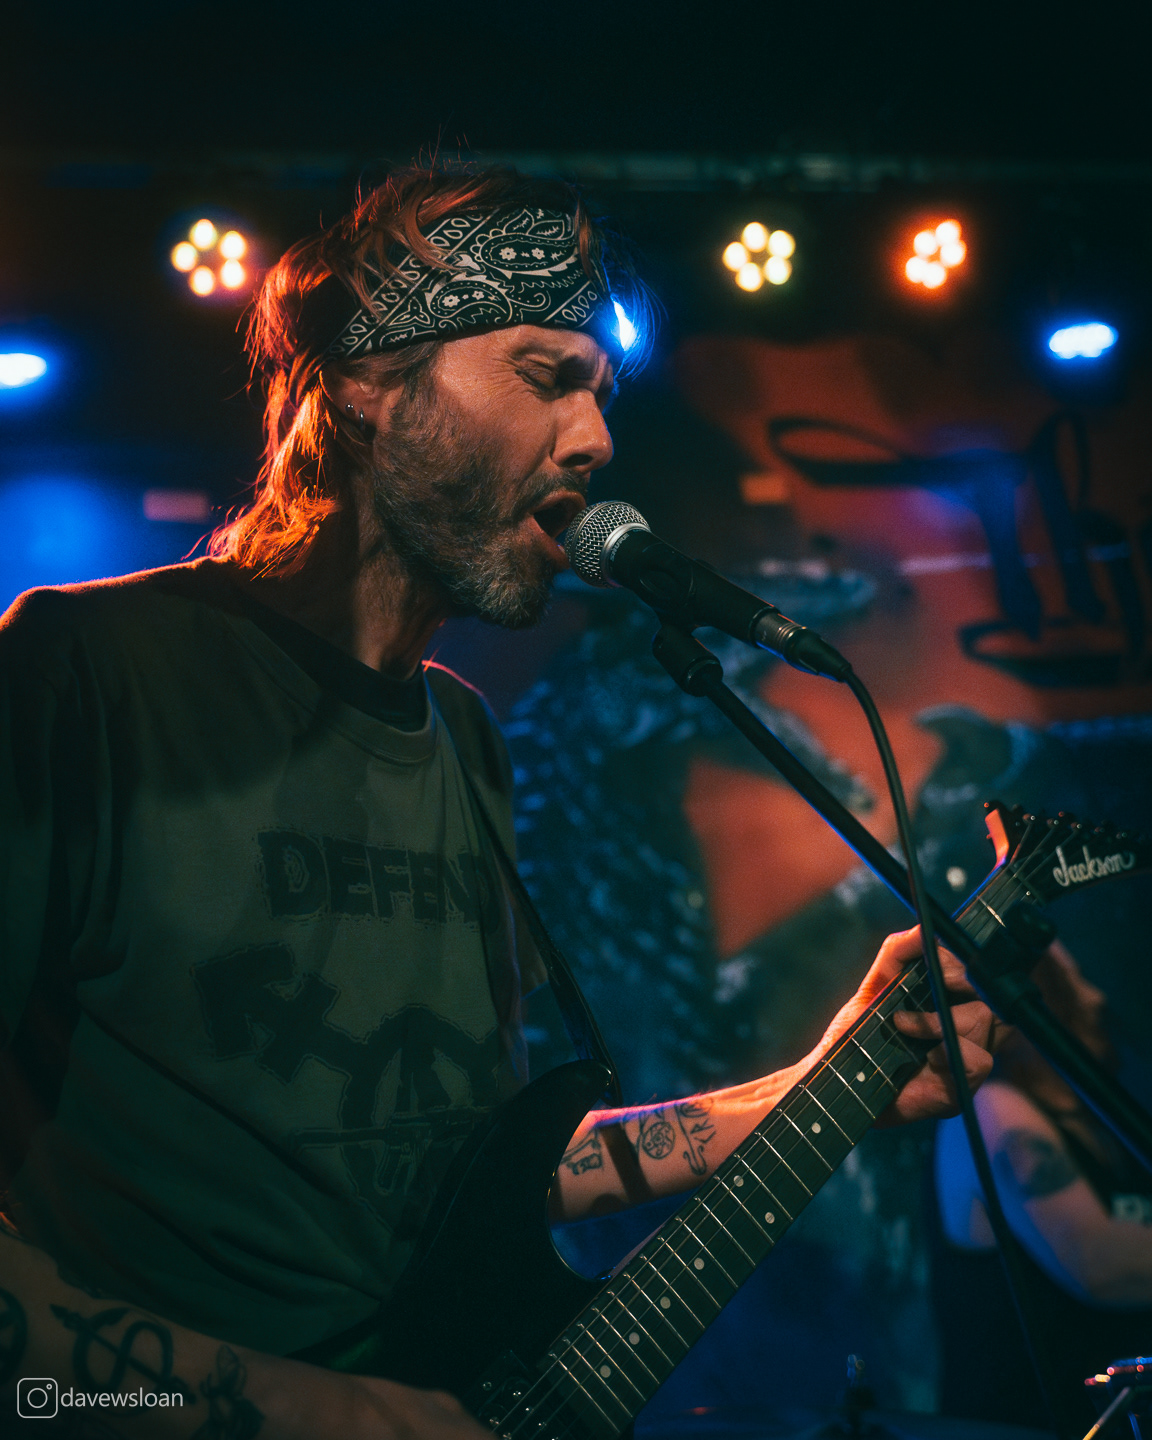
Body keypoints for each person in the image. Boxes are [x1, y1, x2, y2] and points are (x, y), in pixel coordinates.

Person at [0, 163, 1000, 1439]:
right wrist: (314, 1408)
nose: (597, 438)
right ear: (366, 384)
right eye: (545, 377)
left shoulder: (465, 737)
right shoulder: (88, 672)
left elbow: (477, 1180)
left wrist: (813, 1085)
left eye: (600, 390)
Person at [933, 942, 1152, 1428]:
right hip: (1022, 1425)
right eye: (1072, 984)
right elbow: (1099, 1262)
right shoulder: (994, 1108)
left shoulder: (1096, 1117)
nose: (1095, 998)